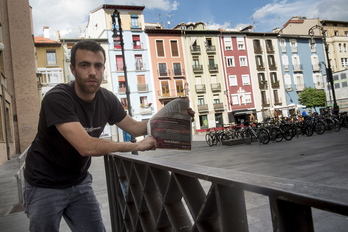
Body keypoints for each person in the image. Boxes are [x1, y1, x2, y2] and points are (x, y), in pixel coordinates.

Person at [23, 40, 193, 232]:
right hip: (43, 184)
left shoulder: (107, 99)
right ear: (73, 69)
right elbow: (86, 146)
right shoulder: (58, 98)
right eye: (85, 65)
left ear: (104, 69)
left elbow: (136, 128)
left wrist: (174, 118)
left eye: (98, 65)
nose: (92, 72)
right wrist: (135, 147)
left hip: (78, 182)